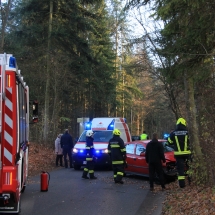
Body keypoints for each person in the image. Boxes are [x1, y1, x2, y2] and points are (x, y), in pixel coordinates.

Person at [169, 118, 191, 188]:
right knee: (189, 168)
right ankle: (190, 181)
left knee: (180, 169)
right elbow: (191, 141)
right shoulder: (187, 132)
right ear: (184, 123)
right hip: (187, 154)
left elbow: (169, 142)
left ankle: (182, 185)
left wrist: (174, 143)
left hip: (178, 154)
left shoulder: (173, 133)